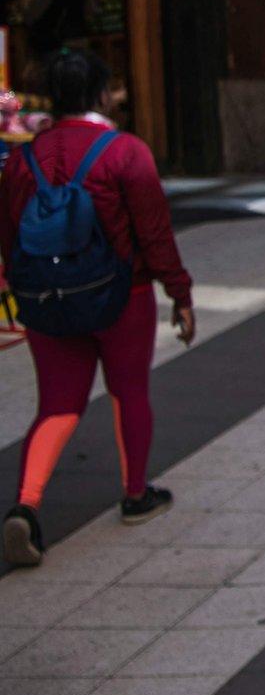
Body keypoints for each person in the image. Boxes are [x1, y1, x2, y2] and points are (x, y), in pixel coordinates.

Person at [1, 51, 194, 567]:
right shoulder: (126, 152)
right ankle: (135, 494)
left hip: (48, 299)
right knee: (128, 392)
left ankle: (26, 505)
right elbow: (154, 235)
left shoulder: (22, 159)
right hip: (120, 296)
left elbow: (9, 237)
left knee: (57, 405)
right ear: (102, 95)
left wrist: (15, 295)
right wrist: (179, 293)